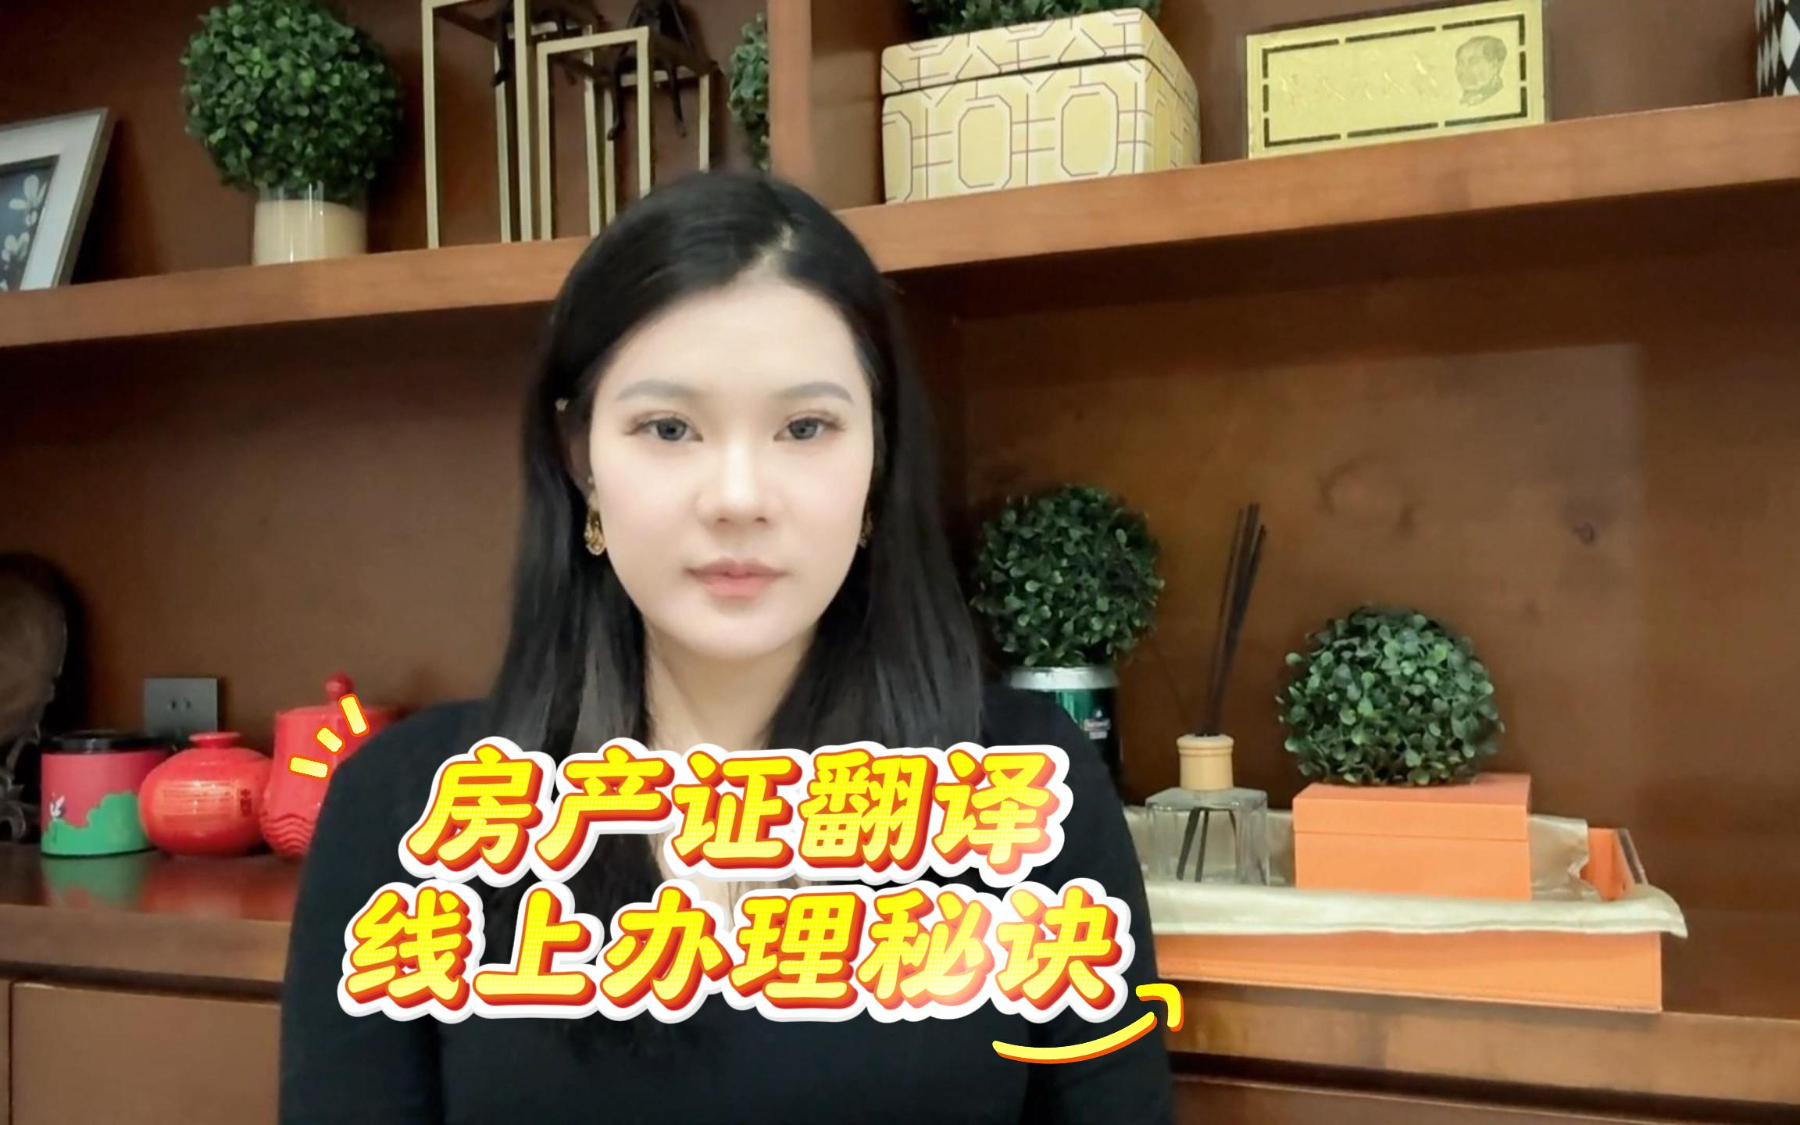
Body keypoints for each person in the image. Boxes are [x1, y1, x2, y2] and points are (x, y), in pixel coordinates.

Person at [279, 171, 1174, 1124]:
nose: (739, 497)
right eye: (669, 428)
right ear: (580, 460)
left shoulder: (1025, 794)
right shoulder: (408, 812)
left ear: (879, 461)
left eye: (805, 427)